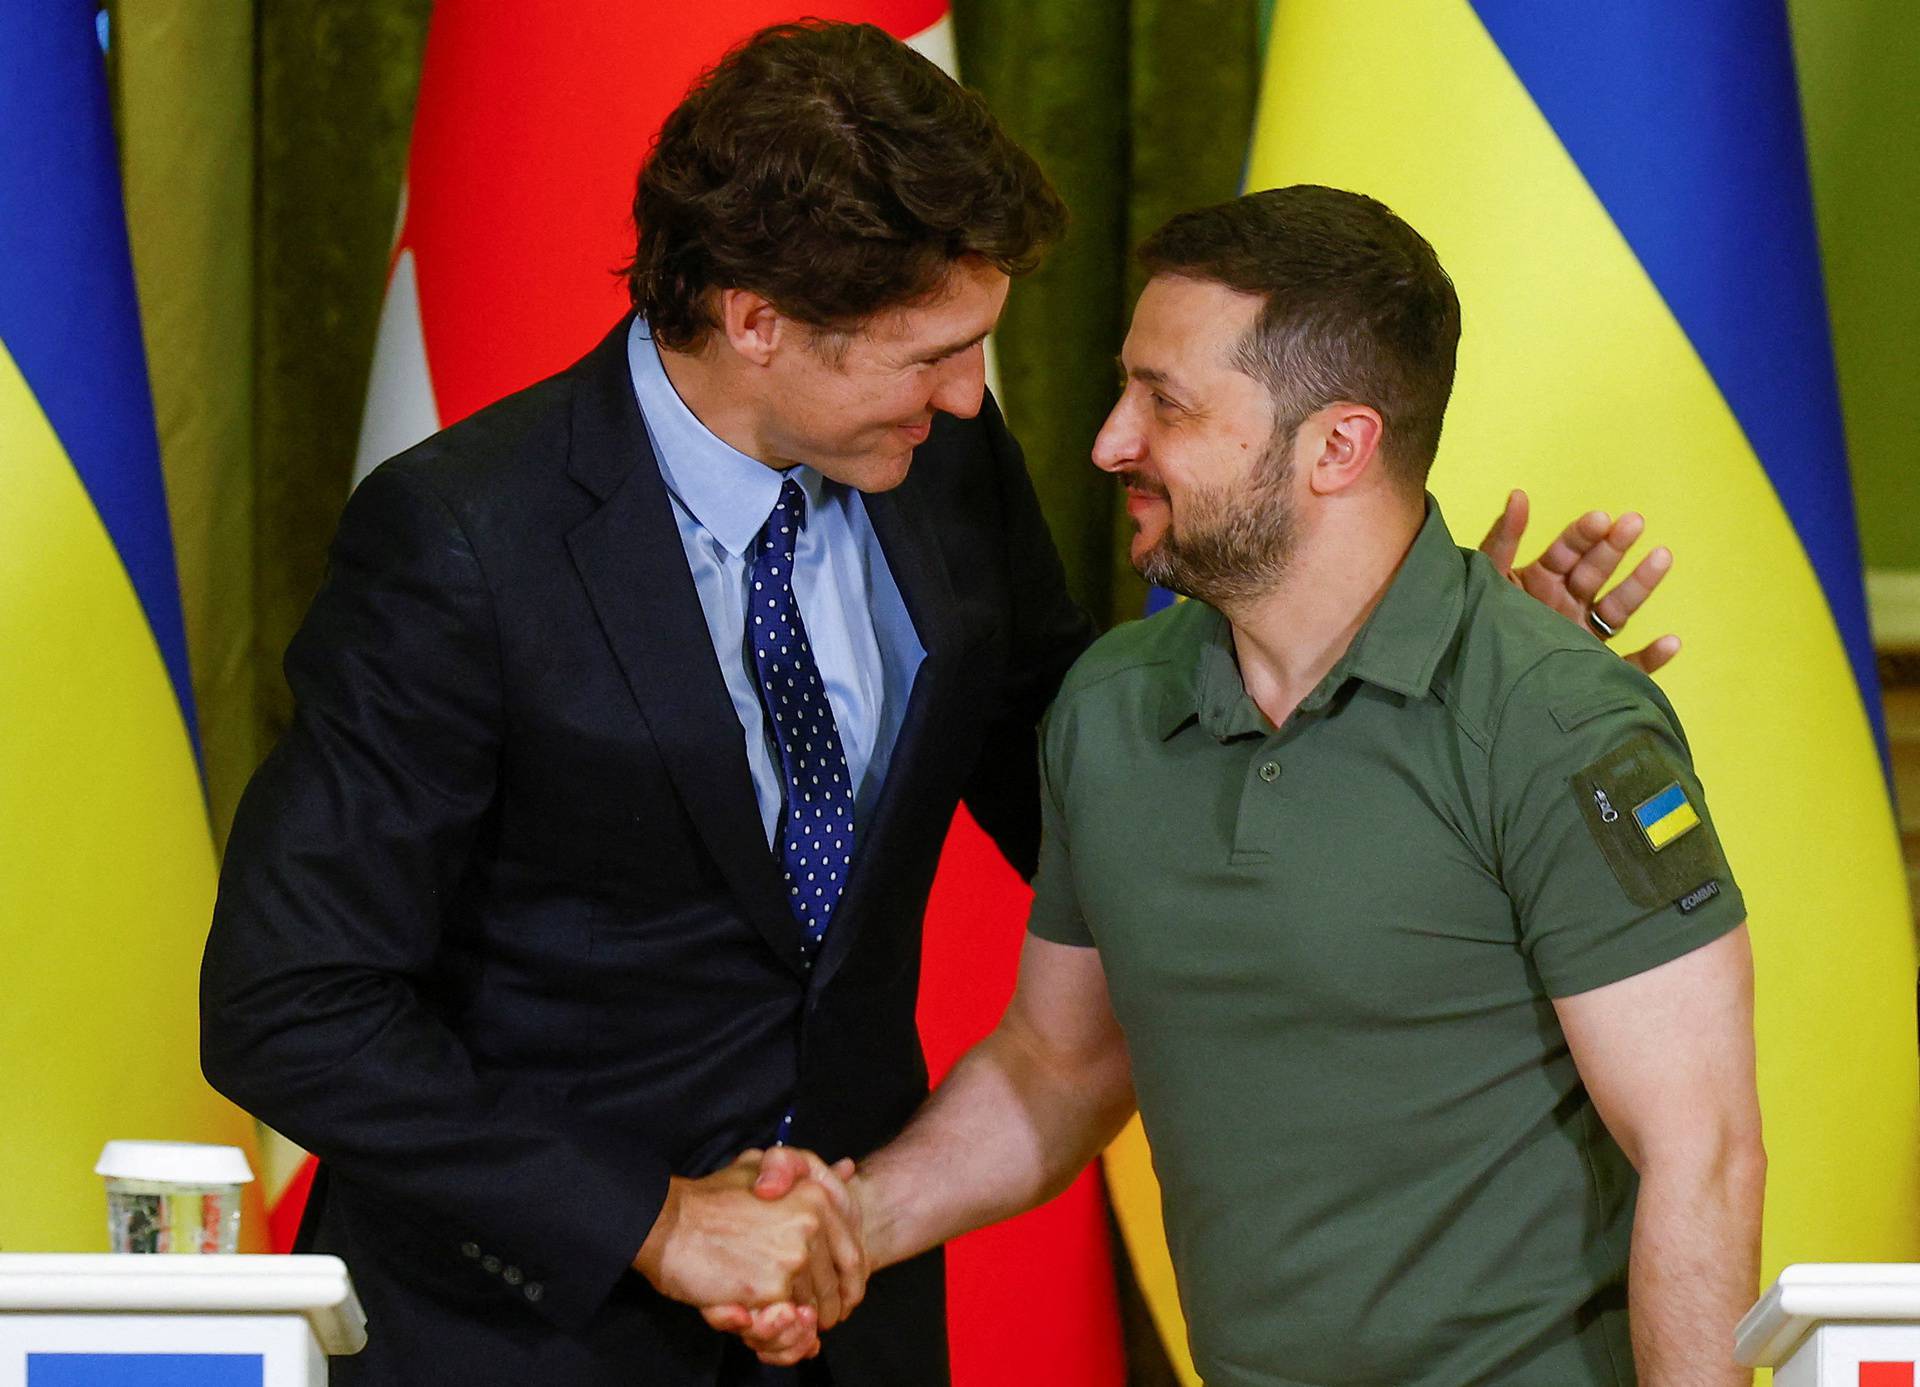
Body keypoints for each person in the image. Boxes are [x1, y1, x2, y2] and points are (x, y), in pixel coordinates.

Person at [200, 21, 1686, 1387]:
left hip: (857, 1315)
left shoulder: (937, 472)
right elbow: (290, 1002)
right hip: (518, 1329)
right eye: (934, 352)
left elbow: (1112, 797)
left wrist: (1440, 664)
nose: (978, 397)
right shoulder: (464, 542)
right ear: (758, 317)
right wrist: (651, 1218)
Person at [728, 186, 1762, 1387]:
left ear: (1337, 446)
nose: (1111, 440)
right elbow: (1058, 1067)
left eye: (1163, 402)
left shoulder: (1556, 719)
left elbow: (1704, 1154)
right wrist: (847, 1227)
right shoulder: (1108, 710)